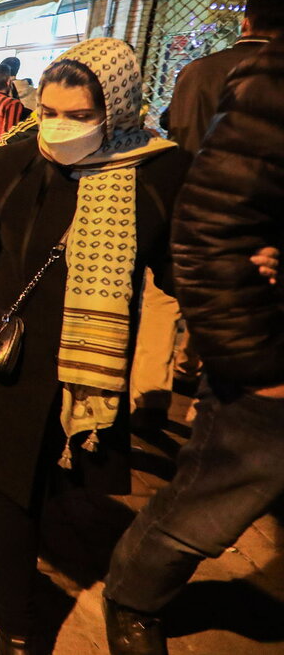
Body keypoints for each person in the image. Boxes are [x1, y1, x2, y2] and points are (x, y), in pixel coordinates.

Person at [0, 38, 189, 653]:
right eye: (50, 110)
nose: (60, 127)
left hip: (88, 359)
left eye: (80, 116)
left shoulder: (154, 172)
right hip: (7, 356)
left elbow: (176, 264)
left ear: (120, 109)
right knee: (11, 490)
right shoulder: (15, 160)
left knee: (53, 474)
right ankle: (18, 625)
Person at [101, 38, 284, 654]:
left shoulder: (166, 153)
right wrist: (248, 357)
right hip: (262, 353)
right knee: (214, 497)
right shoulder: (264, 85)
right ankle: (135, 595)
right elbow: (212, 228)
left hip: (201, 309)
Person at [166, 0, 282, 154]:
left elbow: (177, 127)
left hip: (188, 175)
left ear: (245, 24)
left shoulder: (195, 70)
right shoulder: (275, 71)